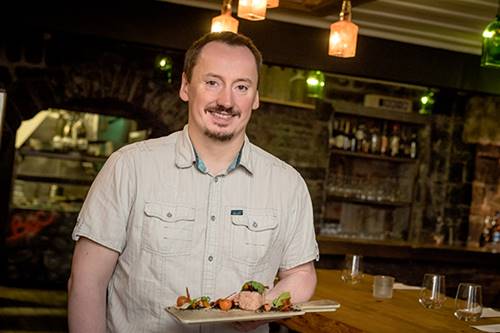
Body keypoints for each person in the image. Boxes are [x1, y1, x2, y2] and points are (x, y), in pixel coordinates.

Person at [67, 31, 319, 333]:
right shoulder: (129, 167)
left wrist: (264, 306)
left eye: (242, 86)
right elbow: (86, 282)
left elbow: (301, 274)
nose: (226, 101)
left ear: (256, 98)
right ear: (186, 86)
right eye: (212, 82)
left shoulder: (287, 184)